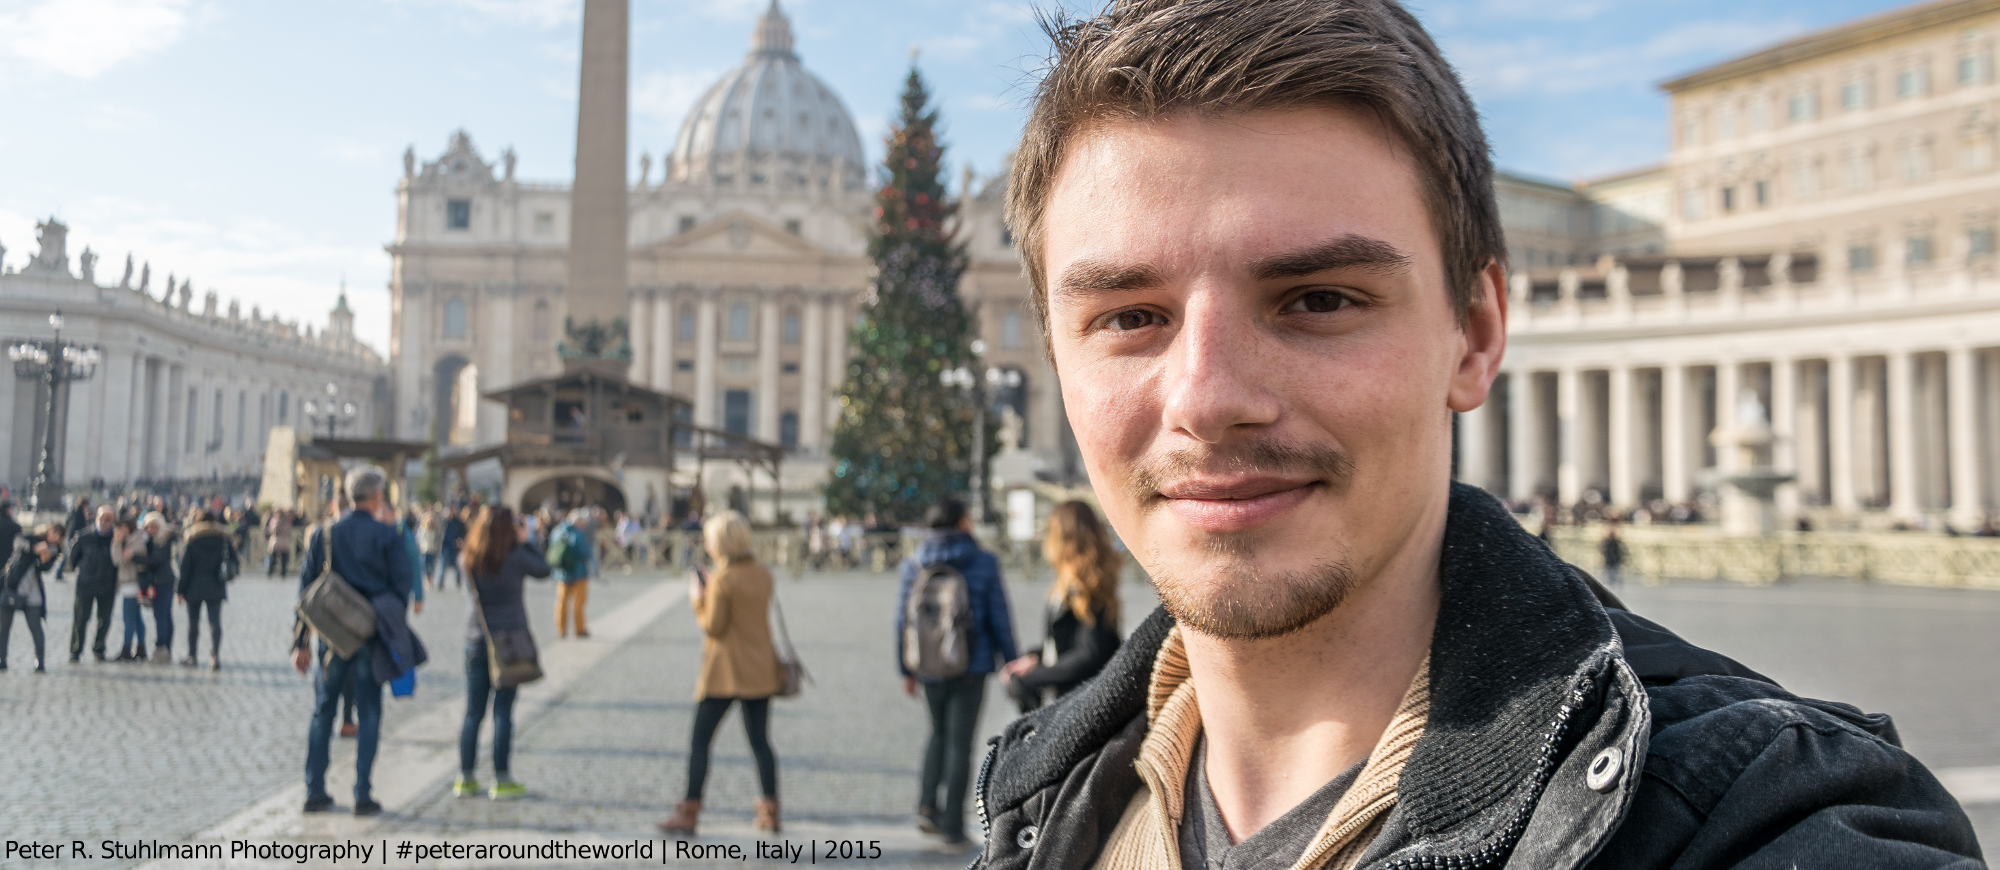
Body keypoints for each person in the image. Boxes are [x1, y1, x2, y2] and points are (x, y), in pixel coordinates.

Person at [969, 3, 1981, 867]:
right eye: (1128, 317)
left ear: (1475, 333)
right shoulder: (1041, 804)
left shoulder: (1767, 817)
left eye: (1318, 299)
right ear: (1055, 360)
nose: (1207, 396)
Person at [895, 497, 1016, 849]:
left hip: (928, 663)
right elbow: (999, 616)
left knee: (937, 732)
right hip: (970, 664)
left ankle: (926, 806)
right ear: (963, 523)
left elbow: (902, 621)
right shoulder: (983, 561)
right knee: (960, 743)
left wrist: (906, 668)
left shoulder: (913, 564)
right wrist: (1011, 661)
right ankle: (951, 826)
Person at [295, 466, 416, 816]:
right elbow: (401, 589)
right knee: (369, 710)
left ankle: (314, 789)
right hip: (370, 636)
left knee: (323, 710)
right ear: (377, 496)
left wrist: (300, 642)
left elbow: (306, 593)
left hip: (331, 638)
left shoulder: (325, 534)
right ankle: (362, 792)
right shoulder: (388, 536)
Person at [657, 510, 783, 835]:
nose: (707, 545)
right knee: (760, 742)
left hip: (724, 671)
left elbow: (714, 626)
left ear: (721, 542)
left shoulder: (724, 579)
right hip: (759, 668)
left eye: (710, 539)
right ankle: (770, 809)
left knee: (701, 741)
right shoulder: (763, 573)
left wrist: (699, 598)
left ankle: (689, 811)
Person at [456, 505, 549, 801]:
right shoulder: (516, 557)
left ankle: (466, 777)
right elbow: (544, 570)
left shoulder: (469, 558)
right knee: (502, 713)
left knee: (473, 712)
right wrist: (526, 540)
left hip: (476, 638)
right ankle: (502, 778)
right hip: (509, 641)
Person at [1000, 501, 1123, 713]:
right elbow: (1065, 644)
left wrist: (1032, 678)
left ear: (1063, 539)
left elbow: (1090, 654)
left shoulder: (1087, 587)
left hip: (1080, 707)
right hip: (1068, 701)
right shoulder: (1069, 584)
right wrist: (1035, 658)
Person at [177, 508, 236, 670]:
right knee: (215, 623)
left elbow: (185, 568)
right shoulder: (223, 539)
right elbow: (235, 560)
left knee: (193, 623)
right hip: (216, 585)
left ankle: (192, 655)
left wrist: (180, 590)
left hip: (194, 587)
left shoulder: (193, 539)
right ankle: (215, 655)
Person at [0, 522, 61, 672]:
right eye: (54, 532)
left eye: (59, 535)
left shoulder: (53, 549)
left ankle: (40, 661)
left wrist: (45, 557)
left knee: (35, 627)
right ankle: (2, 659)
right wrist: (34, 548)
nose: (54, 536)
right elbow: (18, 542)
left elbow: (46, 568)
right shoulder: (31, 538)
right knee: (4, 627)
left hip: (32, 593)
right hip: (12, 589)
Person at [66, 505, 119, 663]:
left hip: (107, 585)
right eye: (102, 518)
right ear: (96, 518)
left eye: (108, 519)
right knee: (80, 619)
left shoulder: (115, 538)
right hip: (85, 585)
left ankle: (99, 649)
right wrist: (81, 572)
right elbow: (72, 558)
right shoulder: (83, 536)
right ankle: (75, 651)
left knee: (104, 620)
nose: (104, 522)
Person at [137, 512, 176, 663]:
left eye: (154, 526)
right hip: (160, 580)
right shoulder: (153, 540)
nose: (151, 529)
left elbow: (155, 560)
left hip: (162, 581)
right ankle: (165, 647)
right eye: (148, 527)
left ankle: (162, 647)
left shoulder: (163, 540)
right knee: (164, 615)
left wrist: (134, 557)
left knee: (161, 615)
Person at [550, 509, 592, 639]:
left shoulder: (556, 531)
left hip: (561, 572)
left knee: (561, 601)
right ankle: (579, 629)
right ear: (578, 522)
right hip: (578, 572)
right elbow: (585, 552)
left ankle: (561, 629)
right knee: (578, 603)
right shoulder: (578, 534)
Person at [113, 519, 148, 661]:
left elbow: (119, 560)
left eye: (125, 528)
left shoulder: (136, 540)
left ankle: (126, 649)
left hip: (133, 583)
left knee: (129, 618)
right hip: (126, 583)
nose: (122, 531)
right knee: (137, 618)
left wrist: (117, 544)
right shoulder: (121, 541)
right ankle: (141, 648)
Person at [438, 505, 467, 589]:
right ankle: (440, 583)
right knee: (443, 565)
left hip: (455, 547)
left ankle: (458, 582)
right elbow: (440, 535)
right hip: (446, 546)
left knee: (457, 567)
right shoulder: (444, 522)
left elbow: (464, 533)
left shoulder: (459, 522)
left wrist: (460, 540)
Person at [266, 508, 296, 577]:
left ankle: (270, 572)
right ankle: (283, 573)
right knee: (284, 559)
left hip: (276, 541)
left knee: (273, 558)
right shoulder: (287, 520)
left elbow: (273, 530)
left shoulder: (275, 520)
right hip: (285, 541)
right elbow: (289, 529)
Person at [1600, 521, 1628, 588]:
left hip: (1614, 559)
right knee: (1611, 572)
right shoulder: (1609, 542)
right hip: (1611, 560)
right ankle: (1612, 583)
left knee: (1615, 572)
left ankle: (1615, 583)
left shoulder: (1615, 542)